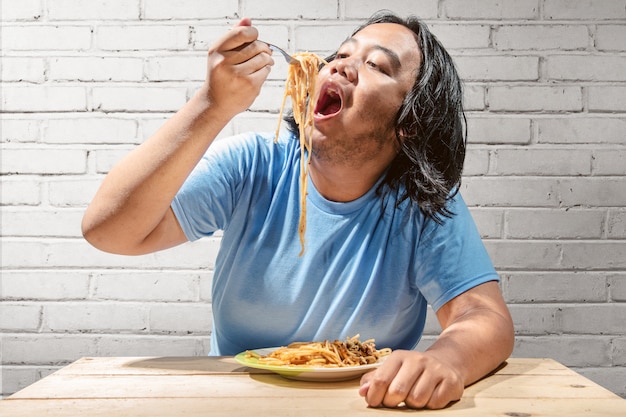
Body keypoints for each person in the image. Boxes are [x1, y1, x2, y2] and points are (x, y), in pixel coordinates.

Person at [82, 10, 514, 410]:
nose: (341, 65)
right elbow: (108, 230)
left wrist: (449, 359)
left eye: (376, 66)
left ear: (409, 123)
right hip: (234, 403)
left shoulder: (421, 203)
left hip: (364, 406)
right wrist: (212, 105)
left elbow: (484, 317)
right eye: (342, 54)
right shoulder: (254, 164)